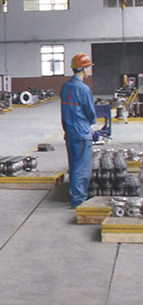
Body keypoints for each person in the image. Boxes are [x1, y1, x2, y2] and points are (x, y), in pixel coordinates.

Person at [60, 53, 97, 208]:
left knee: (74, 165)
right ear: (83, 69)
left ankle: (75, 194)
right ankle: (79, 200)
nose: (89, 70)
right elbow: (90, 112)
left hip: (70, 132)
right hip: (82, 133)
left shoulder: (66, 87)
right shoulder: (84, 89)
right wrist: (92, 125)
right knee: (82, 168)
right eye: (88, 67)